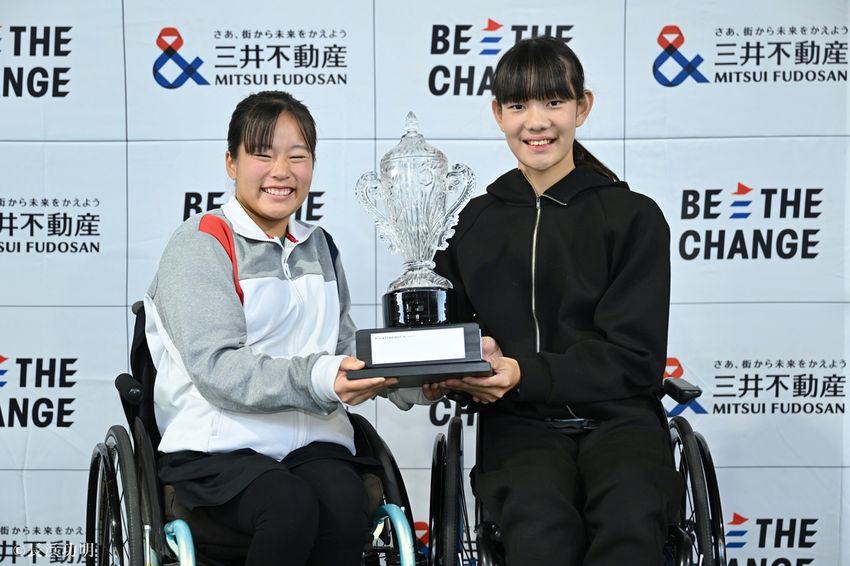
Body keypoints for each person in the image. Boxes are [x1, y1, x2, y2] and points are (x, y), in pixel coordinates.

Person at [144, 90, 437, 566]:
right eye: (263, 154)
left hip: (314, 444)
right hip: (220, 448)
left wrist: (424, 377)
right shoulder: (200, 244)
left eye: (297, 156)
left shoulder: (319, 245)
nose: (281, 171)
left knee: (345, 505)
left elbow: (344, 347)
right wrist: (322, 378)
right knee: (288, 507)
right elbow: (219, 369)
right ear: (231, 162)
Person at [432, 37, 684, 565]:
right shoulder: (471, 222)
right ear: (498, 114)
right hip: (519, 425)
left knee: (630, 522)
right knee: (539, 529)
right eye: (518, 105)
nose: (537, 122)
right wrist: (446, 370)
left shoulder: (633, 217)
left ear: (582, 107)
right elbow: (451, 335)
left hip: (621, 421)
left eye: (554, 102)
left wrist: (525, 371)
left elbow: (636, 359)